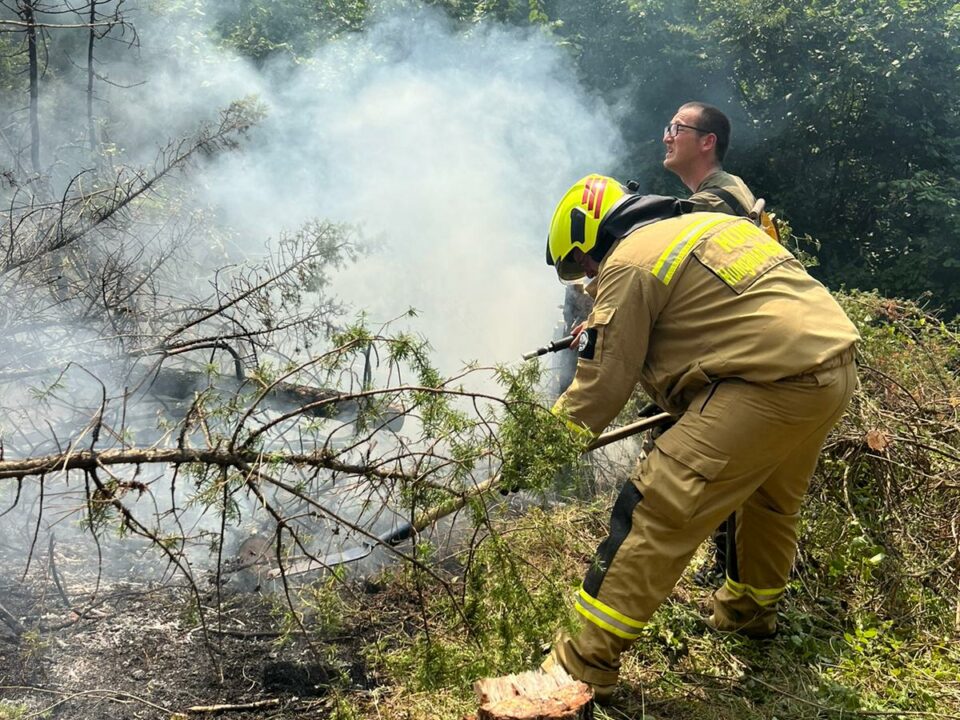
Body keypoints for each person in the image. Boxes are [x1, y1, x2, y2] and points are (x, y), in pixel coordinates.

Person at [540, 174, 859, 703]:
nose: (585, 276)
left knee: (653, 510)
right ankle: (749, 612)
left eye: (579, 263)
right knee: (770, 503)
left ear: (592, 232)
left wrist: (539, 449)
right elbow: (715, 320)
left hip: (763, 384)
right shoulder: (709, 225)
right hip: (832, 370)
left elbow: (601, 388)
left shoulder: (629, 260)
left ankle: (578, 665)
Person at [662, 100, 764, 585]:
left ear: (707, 142)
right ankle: (730, 566)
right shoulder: (716, 194)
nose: (667, 136)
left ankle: (729, 569)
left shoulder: (720, 198)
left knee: (709, 460)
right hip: (734, 348)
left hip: (737, 355)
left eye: (677, 128)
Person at [663, 101, 757, 217]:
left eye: (678, 128)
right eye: (668, 129)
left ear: (707, 142)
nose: (667, 139)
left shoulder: (707, 206)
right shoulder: (734, 183)